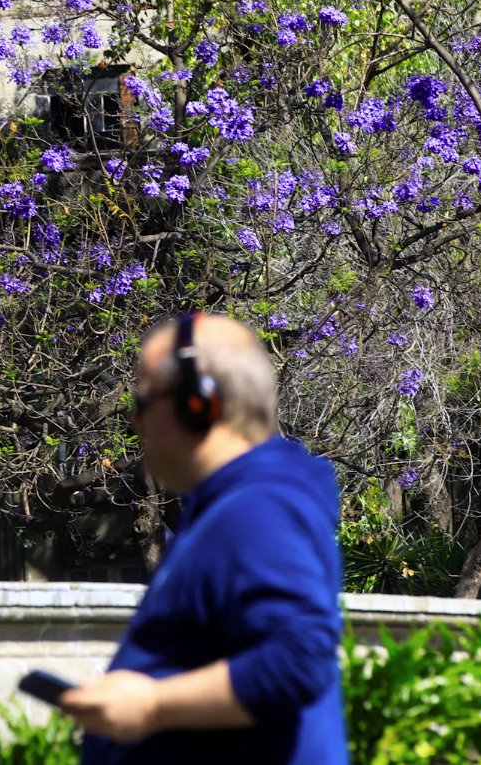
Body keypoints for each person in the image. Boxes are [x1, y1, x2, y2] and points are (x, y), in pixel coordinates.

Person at [61, 312, 348, 764]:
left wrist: (152, 704)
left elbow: (297, 658)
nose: (132, 421)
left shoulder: (257, 510)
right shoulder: (232, 507)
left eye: (140, 401)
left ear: (198, 403)